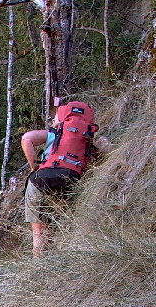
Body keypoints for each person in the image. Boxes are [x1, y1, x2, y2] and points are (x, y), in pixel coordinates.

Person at [22, 101, 99, 257]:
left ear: (60, 119)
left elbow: (27, 138)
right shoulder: (87, 137)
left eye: (54, 119)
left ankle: (38, 262)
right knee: (65, 221)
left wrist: (33, 167)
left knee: (38, 232)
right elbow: (104, 151)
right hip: (73, 180)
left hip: (42, 180)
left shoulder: (54, 132)